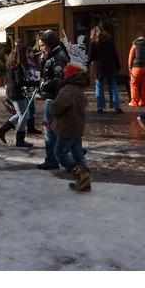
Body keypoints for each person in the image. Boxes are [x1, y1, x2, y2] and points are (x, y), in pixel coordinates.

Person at [49, 61, 93, 192]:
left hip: (67, 127)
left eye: (65, 74)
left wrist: (52, 104)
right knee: (77, 153)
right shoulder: (78, 88)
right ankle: (85, 181)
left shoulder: (68, 90)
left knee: (60, 153)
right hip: (77, 125)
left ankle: (82, 175)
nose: (63, 76)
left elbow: (55, 109)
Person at [36, 31, 69, 170]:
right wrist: (43, 62)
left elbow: (59, 78)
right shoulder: (51, 55)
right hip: (50, 96)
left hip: (53, 98)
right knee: (54, 128)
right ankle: (67, 151)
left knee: (50, 129)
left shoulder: (58, 57)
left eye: (42, 45)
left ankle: (52, 160)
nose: (40, 49)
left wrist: (44, 84)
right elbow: (46, 73)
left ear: (49, 44)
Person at [0, 42, 39, 147]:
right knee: (23, 115)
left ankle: (2, 130)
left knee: (21, 113)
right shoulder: (18, 65)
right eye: (25, 53)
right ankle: (20, 140)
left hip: (12, 90)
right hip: (16, 92)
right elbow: (19, 82)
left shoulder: (12, 62)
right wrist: (34, 83)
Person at [87, 26, 122, 114]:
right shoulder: (109, 41)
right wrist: (118, 66)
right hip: (110, 64)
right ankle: (116, 106)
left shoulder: (92, 43)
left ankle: (100, 107)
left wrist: (88, 63)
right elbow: (115, 54)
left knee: (99, 86)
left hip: (98, 66)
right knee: (113, 86)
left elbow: (90, 56)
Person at [128, 35, 145, 107]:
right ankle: (144, 102)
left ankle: (134, 102)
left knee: (134, 84)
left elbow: (131, 57)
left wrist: (129, 67)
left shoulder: (135, 46)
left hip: (136, 67)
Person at [25, 46, 42, 134]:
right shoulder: (28, 63)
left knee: (31, 108)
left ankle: (30, 127)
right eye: (30, 52)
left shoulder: (31, 63)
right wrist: (34, 82)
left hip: (31, 88)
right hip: (28, 89)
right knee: (29, 109)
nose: (33, 53)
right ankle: (29, 127)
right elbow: (30, 76)